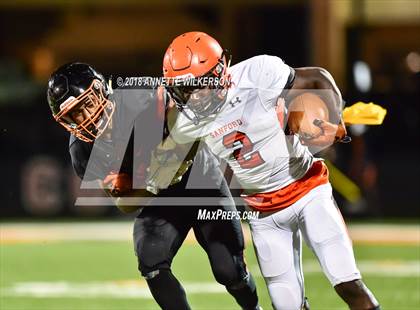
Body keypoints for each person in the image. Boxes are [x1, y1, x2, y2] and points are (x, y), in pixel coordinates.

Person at [160, 31, 380, 310]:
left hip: (307, 189)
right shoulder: (185, 121)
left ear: (218, 72)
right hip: (264, 213)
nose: (193, 97)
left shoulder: (257, 74)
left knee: (347, 283)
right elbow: (165, 166)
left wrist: (334, 118)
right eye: (184, 89)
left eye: (197, 86)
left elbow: (317, 77)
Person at [46, 62, 260, 310]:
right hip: (159, 198)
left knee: (229, 270)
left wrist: (171, 152)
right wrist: (153, 181)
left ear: (102, 89)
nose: (85, 118)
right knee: (151, 258)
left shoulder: (142, 95)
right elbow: (125, 205)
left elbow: (189, 126)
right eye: (74, 115)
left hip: (200, 181)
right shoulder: (81, 149)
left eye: (87, 104)